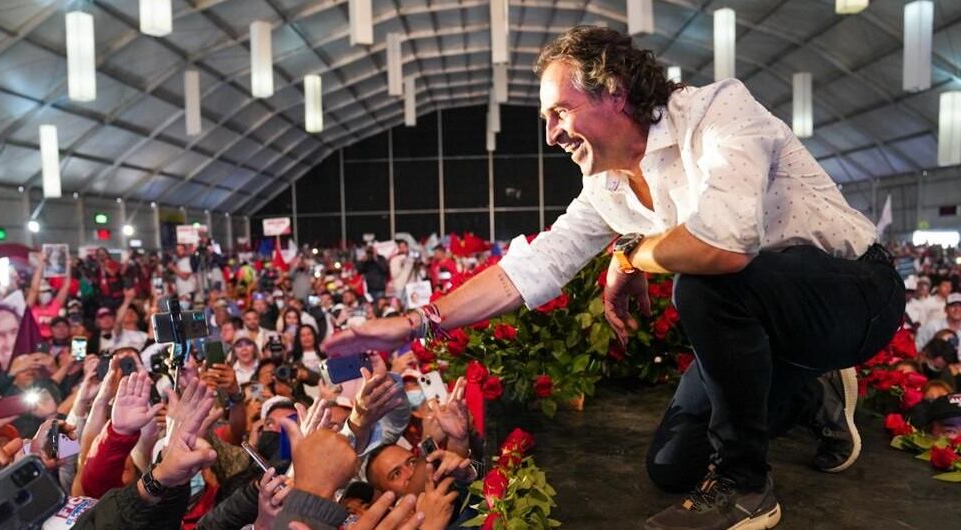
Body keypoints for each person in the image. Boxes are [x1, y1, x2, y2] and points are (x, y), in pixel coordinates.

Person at [323, 25, 904, 530]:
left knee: (701, 283)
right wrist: (413, 323)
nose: (551, 134)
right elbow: (532, 268)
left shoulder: (716, 112)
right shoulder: (607, 189)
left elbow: (723, 248)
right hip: (772, 324)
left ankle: (748, 490)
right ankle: (811, 392)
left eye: (560, 111)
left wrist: (628, 257)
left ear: (615, 92)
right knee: (672, 466)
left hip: (854, 294)